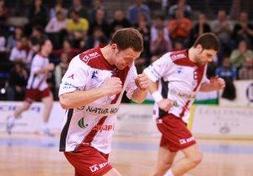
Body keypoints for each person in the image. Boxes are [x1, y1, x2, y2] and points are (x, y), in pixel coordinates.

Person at [58, 28, 149, 176]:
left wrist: (143, 89)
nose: (130, 63)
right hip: (79, 142)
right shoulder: (83, 62)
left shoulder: (128, 65)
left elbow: (137, 98)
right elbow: (65, 99)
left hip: (102, 144)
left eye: (134, 59)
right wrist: (104, 90)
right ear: (114, 47)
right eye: (128, 58)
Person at [143, 33, 225, 176]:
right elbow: (147, 75)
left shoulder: (202, 65)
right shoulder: (172, 59)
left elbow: (199, 87)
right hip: (168, 116)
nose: (210, 60)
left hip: (181, 120)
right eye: (209, 55)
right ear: (199, 48)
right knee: (195, 158)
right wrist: (159, 99)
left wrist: (214, 86)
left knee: (164, 165)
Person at [6, 37, 54, 136]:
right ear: (43, 46)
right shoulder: (38, 57)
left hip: (42, 85)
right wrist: (47, 68)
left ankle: (44, 126)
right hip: (33, 86)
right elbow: (35, 72)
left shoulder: (45, 58)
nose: (51, 47)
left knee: (49, 102)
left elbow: (42, 73)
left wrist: (47, 73)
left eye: (51, 45)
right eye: (49, 45)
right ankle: (12, 118)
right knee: (26, 106)